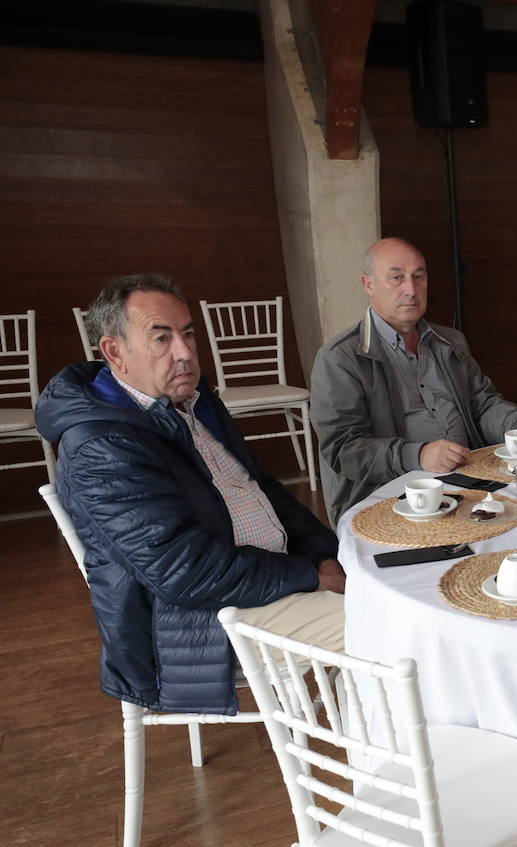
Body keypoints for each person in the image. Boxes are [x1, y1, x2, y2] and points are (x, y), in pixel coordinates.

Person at [35, 274, 346, 716]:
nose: (184, 353)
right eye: (161, 339)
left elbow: (264, 490)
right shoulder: (101, 446)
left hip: (266, 582)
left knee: (393, 581)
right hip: (196, 625)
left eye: (188, 334)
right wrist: (310, 576)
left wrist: (322, 554)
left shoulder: (191, 401)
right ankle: (393, 763)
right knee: (386, 627)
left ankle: (372, 727)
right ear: (114, 353)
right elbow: (185, 574)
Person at [312, 238, 517, 523]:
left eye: (418, 277)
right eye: (396, 278)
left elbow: (483, 405)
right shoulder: (340, 358)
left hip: (468, 481)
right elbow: (343, 449)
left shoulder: (449, 341)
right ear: (368, 284)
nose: (410, 289)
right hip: (390, 494)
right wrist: (417, 455)